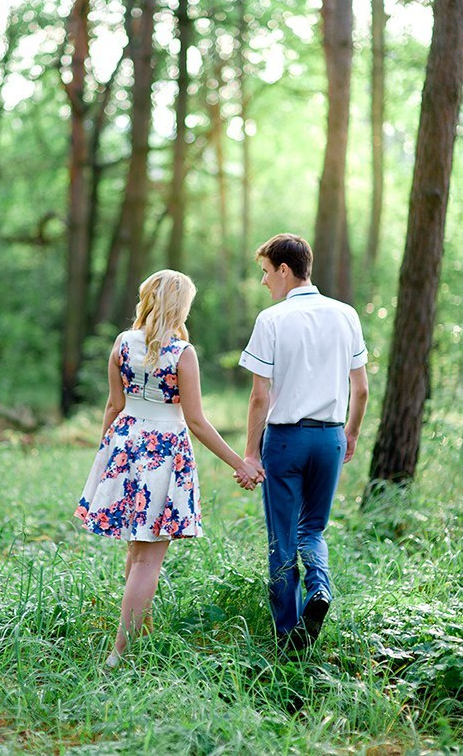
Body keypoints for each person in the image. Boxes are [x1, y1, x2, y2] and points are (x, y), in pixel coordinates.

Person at [75, 269, 264, 667]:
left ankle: (137, 639)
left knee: (136, 549)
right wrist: (240, 464)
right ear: (181, 306)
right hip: (162, 450)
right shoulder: (181, 353)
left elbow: (114, 405)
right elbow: (195, 421)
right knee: (148, 558)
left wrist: (107, 456)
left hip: (125, 443)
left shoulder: (123, 343)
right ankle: (119, 653)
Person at [239, 233, 369, 648]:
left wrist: (249, 451)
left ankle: (287, 638)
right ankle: (320, 590)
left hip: (285, 440)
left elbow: (261, 396)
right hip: (329, 436)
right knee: (312, 530)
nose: (263, 282)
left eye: (265, 272)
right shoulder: (346, 314)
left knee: (282, 538)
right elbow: (361, 389)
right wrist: (350, 434)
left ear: (283, 269)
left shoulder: (272, 320)